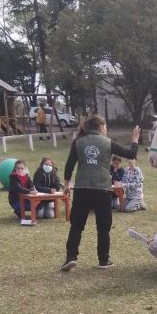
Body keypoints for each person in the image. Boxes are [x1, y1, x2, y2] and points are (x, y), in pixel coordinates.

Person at [61, 115, 140, 271]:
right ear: (100, 126)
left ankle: (70, 257)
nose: (106, 129)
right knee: (103, 227)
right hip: (102, 189)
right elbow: (131, 154)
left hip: (82, 188)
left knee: (76, 225)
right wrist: (135, 139)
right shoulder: (107, 142)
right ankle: (103, 260)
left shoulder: (78, 141)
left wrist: (66, 186)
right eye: (105, 126)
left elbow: (69, 165)